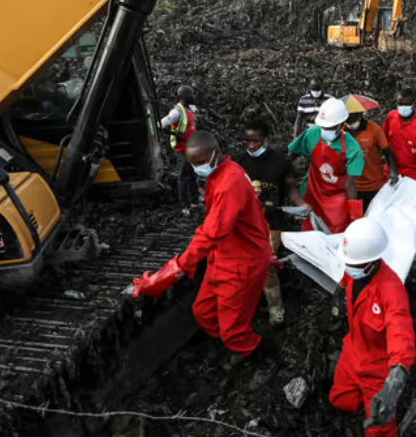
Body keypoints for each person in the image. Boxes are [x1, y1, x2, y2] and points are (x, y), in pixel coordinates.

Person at [132, 131, 271, 359]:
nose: (197, 168)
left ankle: (258, 354)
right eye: (192, 164)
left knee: (232, 331)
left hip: (241, 263)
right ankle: (227, 342)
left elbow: (211, 232)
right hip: (223, 256)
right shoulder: (220, 173)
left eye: (199, 162)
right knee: (203, 311)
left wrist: (175, 269)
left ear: (216, 154)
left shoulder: (230, 183)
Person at [329, 218, 416, 436]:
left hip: (376, 369)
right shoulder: (354, 270)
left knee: (379, 427)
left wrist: (392, 385)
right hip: (352, 353)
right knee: (340, 400)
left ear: (373, 261)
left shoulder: (391, 290)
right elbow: (345, 283)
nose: (350, 269)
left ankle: (383, 412)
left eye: (355, 265)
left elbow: (401, 337)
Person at [233, 119, 308, 326]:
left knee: (267, 264)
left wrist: (302, 206)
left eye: (255, 141)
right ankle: (247, 307)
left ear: (266, 140)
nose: (251, 145)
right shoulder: (237, 162)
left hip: (271, 222)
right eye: (247, 141)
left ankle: (276, 310)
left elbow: (291, 189)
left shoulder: (280, 162)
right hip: (245, 225)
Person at [289, 98, 364, 233]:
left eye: (330, 127)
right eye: (324, 127)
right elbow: (292, 155)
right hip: (313, 193)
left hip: (336, 199)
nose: (325, 130)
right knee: (310, 233)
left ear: (341, 124)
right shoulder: (312, 134)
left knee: (336, 233)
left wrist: (354, 214)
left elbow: (350, 183)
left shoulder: (352, 148)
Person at [343, 107, 399, 212]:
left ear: (359, 116)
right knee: (356, 218)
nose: (350, 125)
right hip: (352, 186)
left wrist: (392, 171)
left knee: (374, 216)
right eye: (347, 122)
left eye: (352, 122)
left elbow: (387, 152)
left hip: (374, 185)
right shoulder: (342, 131)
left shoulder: (375, 130)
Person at [382, 88, 416, 188]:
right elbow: (382, 142)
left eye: (407, 104)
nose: (403, 107)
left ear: (414, 104)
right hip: (391, 173)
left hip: (411, 177)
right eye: (400, 104)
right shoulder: (391, 117)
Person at [160, 85, 199, 213]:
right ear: (183, 97)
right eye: (190, 95)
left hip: (191, 147)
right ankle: (184, 206)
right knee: (183, 176)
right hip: (182, 149)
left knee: (192, 175)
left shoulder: (190, 109)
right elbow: (162, 123)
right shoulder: (177, 111)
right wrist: (172, 133)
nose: (193, 97)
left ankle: (194, 202)